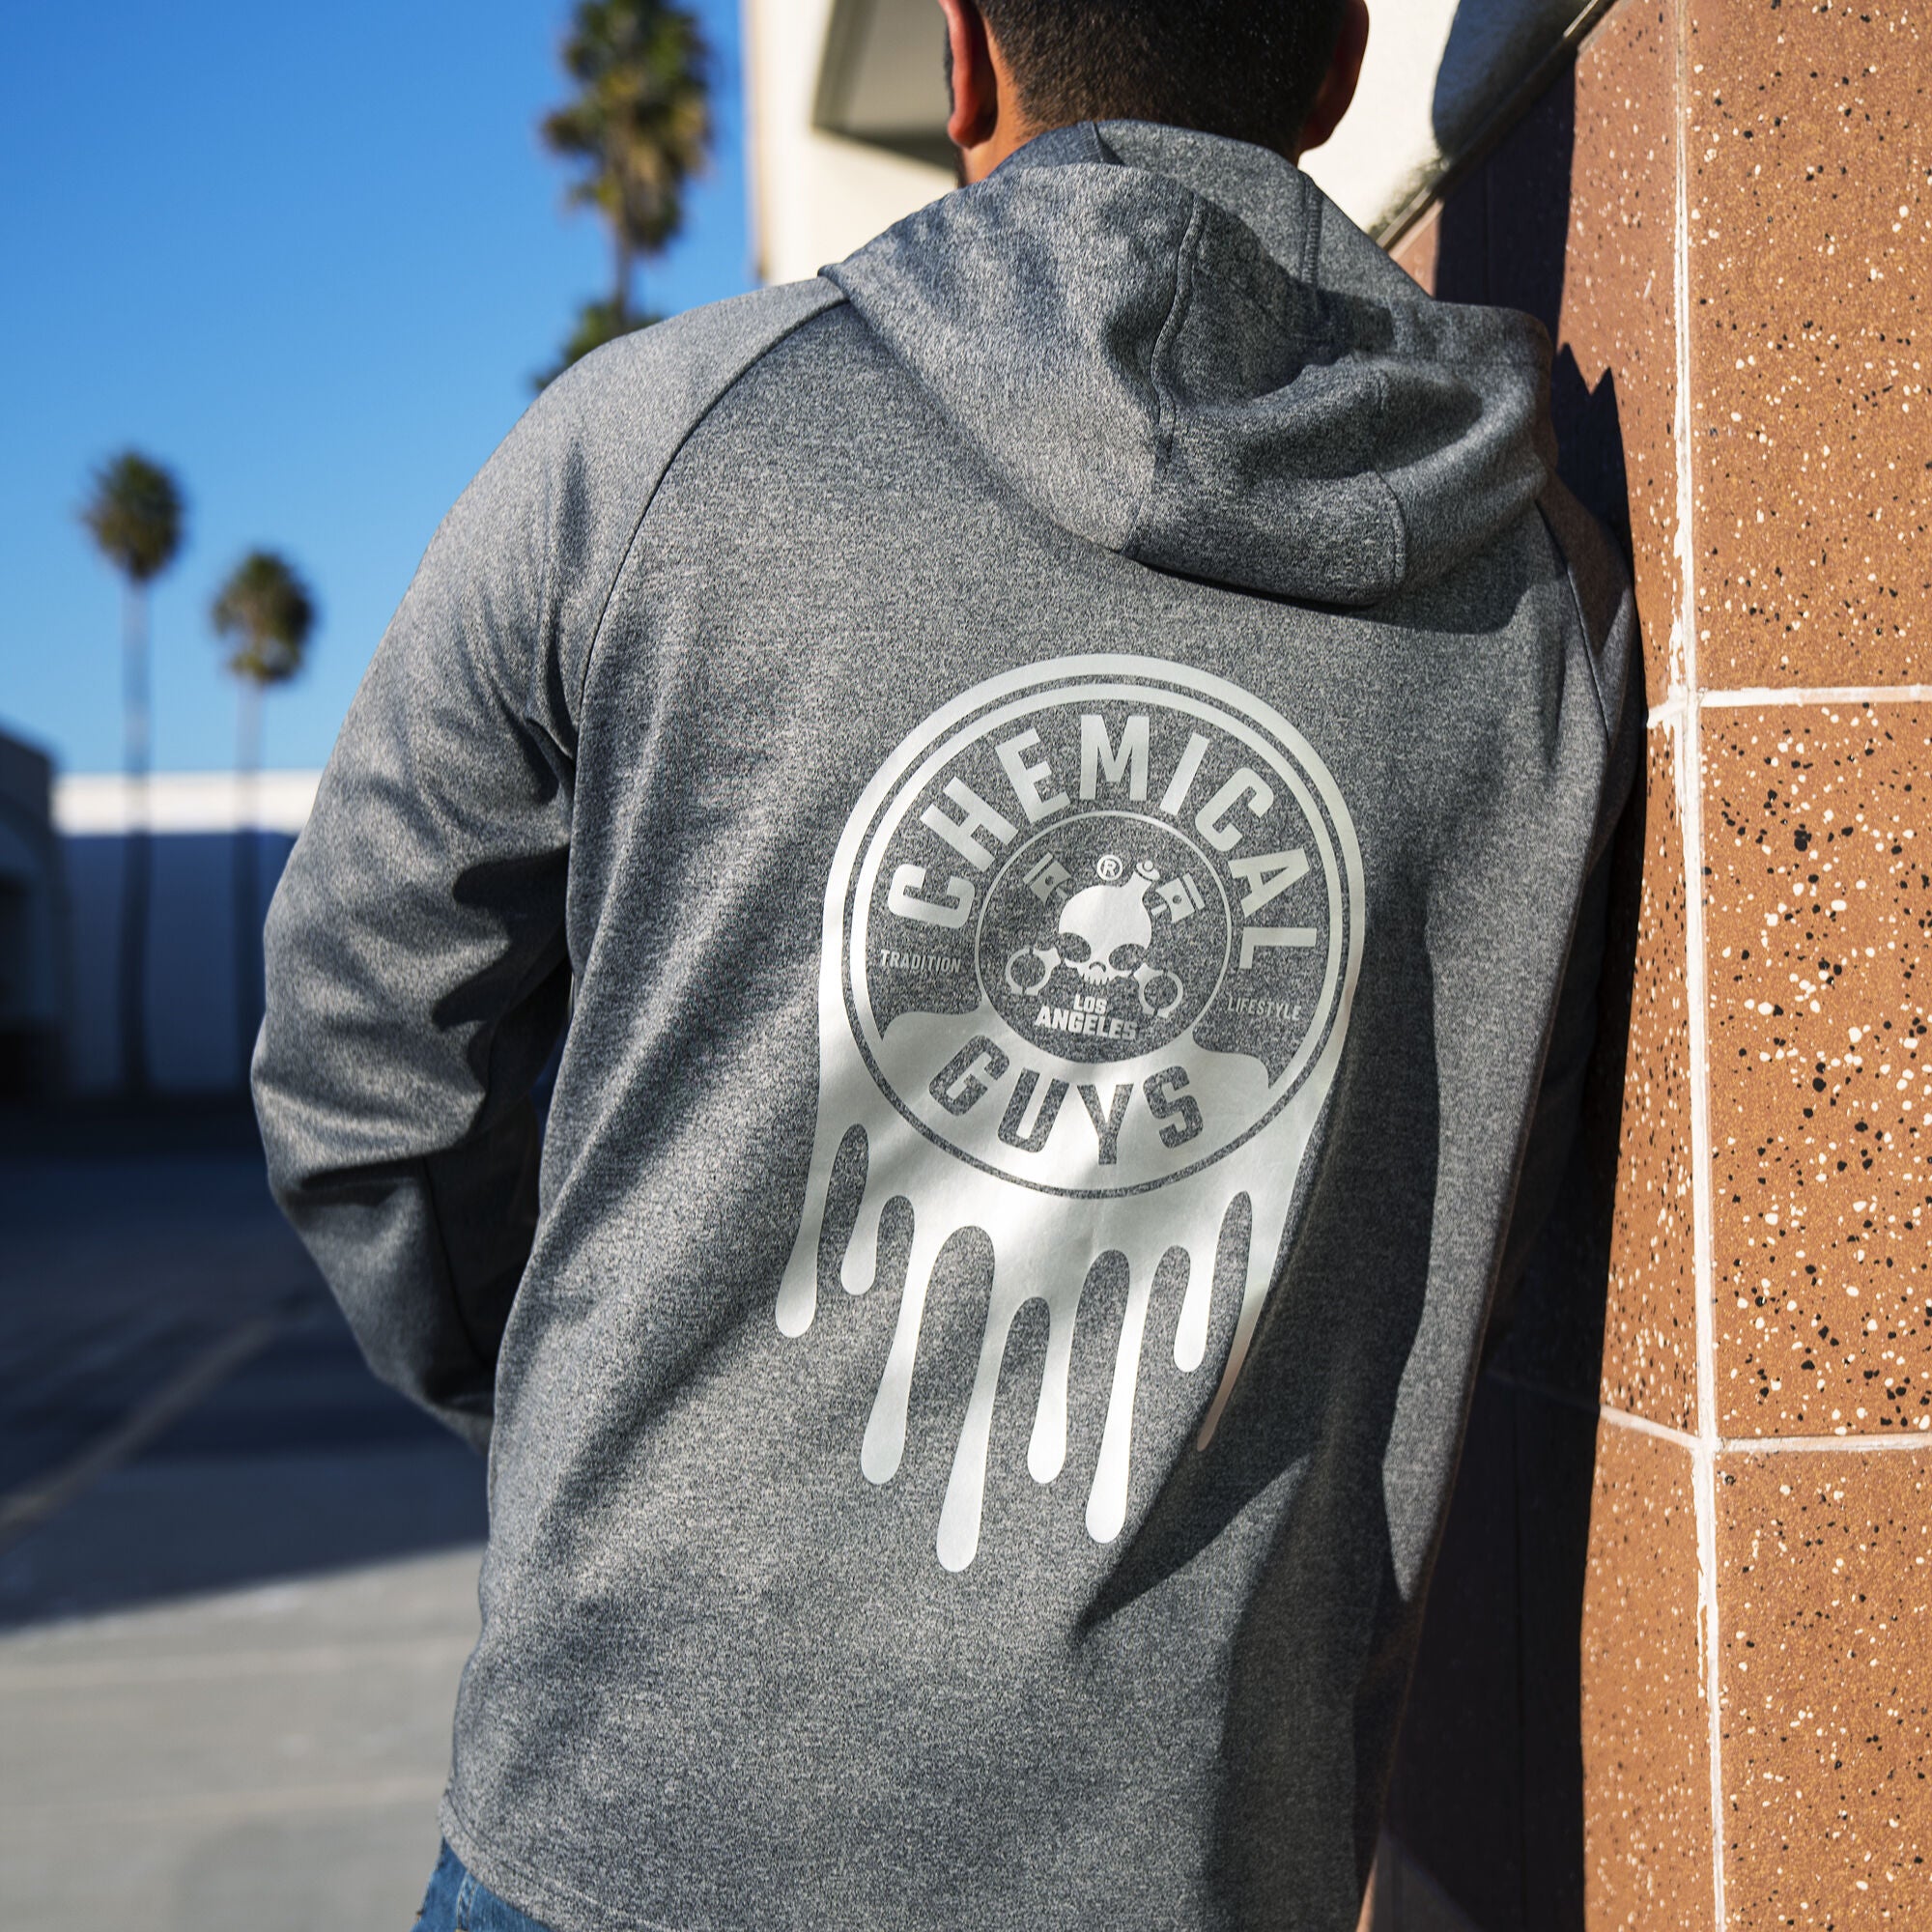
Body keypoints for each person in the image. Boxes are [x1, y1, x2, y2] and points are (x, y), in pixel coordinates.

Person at [255, 0, 1636, 1926]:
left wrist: (599, 1408)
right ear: (1338, 63)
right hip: (1190, 1841)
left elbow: (362, 1066)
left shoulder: (651, 448)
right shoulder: (1544, 595)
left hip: (635, 1806)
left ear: (963, 56)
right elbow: (1484, 1190)